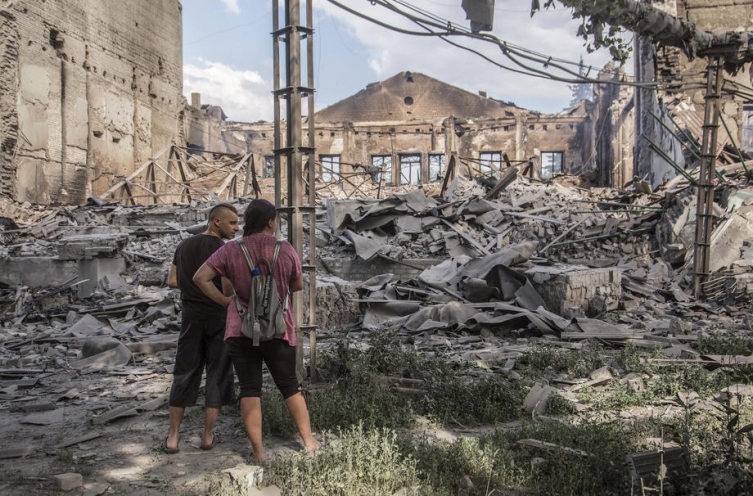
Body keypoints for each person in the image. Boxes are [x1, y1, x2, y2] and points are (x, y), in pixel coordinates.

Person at [193, 199, 318, 463]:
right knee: (289, 385)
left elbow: (199, 278)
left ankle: (258, 453)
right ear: (271, 222)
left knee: (250, 389)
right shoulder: (285, 249)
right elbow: (297, 285)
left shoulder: (230, 249)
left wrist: (224, 301)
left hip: (240, 329)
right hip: (278, 328)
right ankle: (309, 442)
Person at [162, 203, 239, 454]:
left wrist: (192, 287)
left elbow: (172, 280)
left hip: (190, 317)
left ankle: (173, 437)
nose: (236, 228)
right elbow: (227, 288)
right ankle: (207, 436)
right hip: (218, 317)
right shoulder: (223, 249)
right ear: (216, 221)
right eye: (232, 223)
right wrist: (226, 299)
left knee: (184, 372)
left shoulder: (184, 245)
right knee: (218, 373)